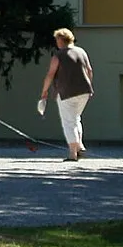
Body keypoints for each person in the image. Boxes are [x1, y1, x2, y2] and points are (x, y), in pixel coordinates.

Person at [37, 27, 95, 161]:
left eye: (57, 39)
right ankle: (80, 146)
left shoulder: (59, 55)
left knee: (68, 122)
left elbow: (51, 74)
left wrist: (44, 91)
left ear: (61, 40)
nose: (56, 42)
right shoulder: (81, 52)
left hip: (66, 92)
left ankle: (72, 154)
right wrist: (88, 85)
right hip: (84, 91)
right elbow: (89, 70)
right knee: (75, 118)